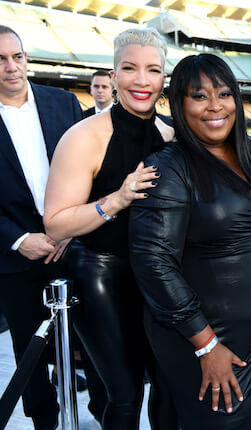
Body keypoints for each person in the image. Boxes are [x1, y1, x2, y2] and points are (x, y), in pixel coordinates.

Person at [129, 53, 251, 430]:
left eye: (223, 93)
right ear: (179, 105)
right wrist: (206, 344)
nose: (215, 106)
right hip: (211, 340)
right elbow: (153, 263)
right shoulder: (169, 168)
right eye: (199, 96)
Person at [43, 28, 177, 429]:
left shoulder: (171, 134)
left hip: (157, 278)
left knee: (170, 388)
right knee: (125, 394)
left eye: (152, 70)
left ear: (163, 78)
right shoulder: (83, 137)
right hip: (100, 275)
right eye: (130, 69)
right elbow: (56, 221)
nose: (141, 80)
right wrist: (115, 201)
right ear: (114, 75)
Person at [0, 24, 81, 430]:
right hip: (16, 256)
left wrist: (70, 228)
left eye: (18, 56)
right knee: (30, 351)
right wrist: (18, 239)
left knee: (89, 345)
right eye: (0, 60)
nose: (12, 67)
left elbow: (92, 170)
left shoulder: (63, 103)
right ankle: (45, 424)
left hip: (75, 247)